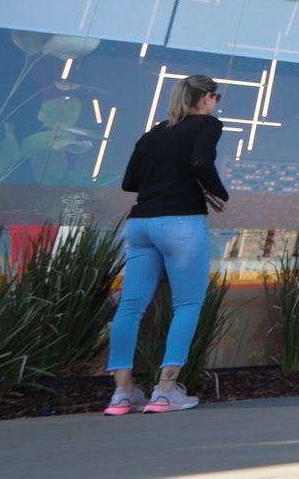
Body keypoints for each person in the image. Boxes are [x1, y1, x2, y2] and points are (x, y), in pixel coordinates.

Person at [103, 74, 228, 415]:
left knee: (130, 307)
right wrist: (219, 193)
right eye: (216, 97)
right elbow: (201, 162)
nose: (217, 103)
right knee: (186, 305)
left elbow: (131, 182)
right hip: (181, 223)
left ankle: (123, 393)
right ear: (204, 99)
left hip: (141, 223)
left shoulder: (152, 135)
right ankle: (165, 391)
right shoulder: (206, 125)